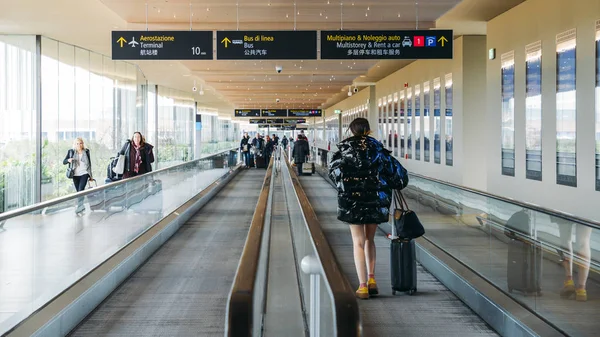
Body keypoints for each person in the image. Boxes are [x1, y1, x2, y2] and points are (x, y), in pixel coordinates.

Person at [328, 118, 408, 299]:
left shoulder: (343, 150)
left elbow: (334, 174)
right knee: (369, 240)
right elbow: (399, 176)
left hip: (352, 203)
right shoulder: (379, 151)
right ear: (369, 131)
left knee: (357, 241)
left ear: (351, 131)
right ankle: (372, 279)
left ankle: (362, 286)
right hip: (375, 202)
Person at [553, 216, 592, 301]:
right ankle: (581, 289)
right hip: (586, 206)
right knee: (584, 242)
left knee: (565, 240)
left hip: (567, 204)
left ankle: (569, 282)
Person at [63, 137, 94, 213]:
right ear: (74, 144)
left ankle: (79, 207)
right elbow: (64, 162)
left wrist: (90, 175)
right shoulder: (71, 152)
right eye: (77, 143)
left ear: (82, 144)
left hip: (84, 173)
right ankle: (81, 206)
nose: (79, 145)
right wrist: (68, 160)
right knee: (79, 192)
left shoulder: (86, 151)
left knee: (80, 190)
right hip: (75, 175)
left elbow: (89, 164)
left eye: (80, 143)